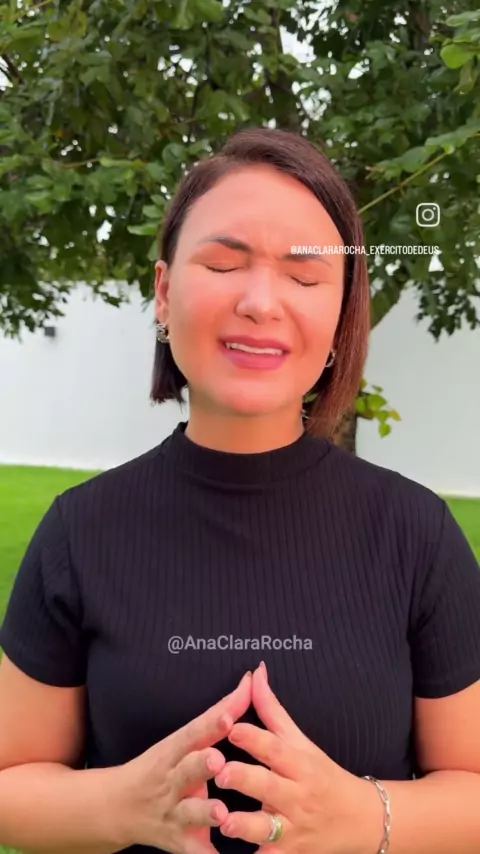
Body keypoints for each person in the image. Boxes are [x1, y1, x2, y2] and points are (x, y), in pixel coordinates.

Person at [0, 126, 480, 854]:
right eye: (224, 263)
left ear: (341, 315)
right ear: (165, 293)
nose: (261, 302)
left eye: (305, 277)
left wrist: (362, 816)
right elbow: (11, 783)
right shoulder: (81, 531)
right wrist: (124, 803)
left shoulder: (415, 534)